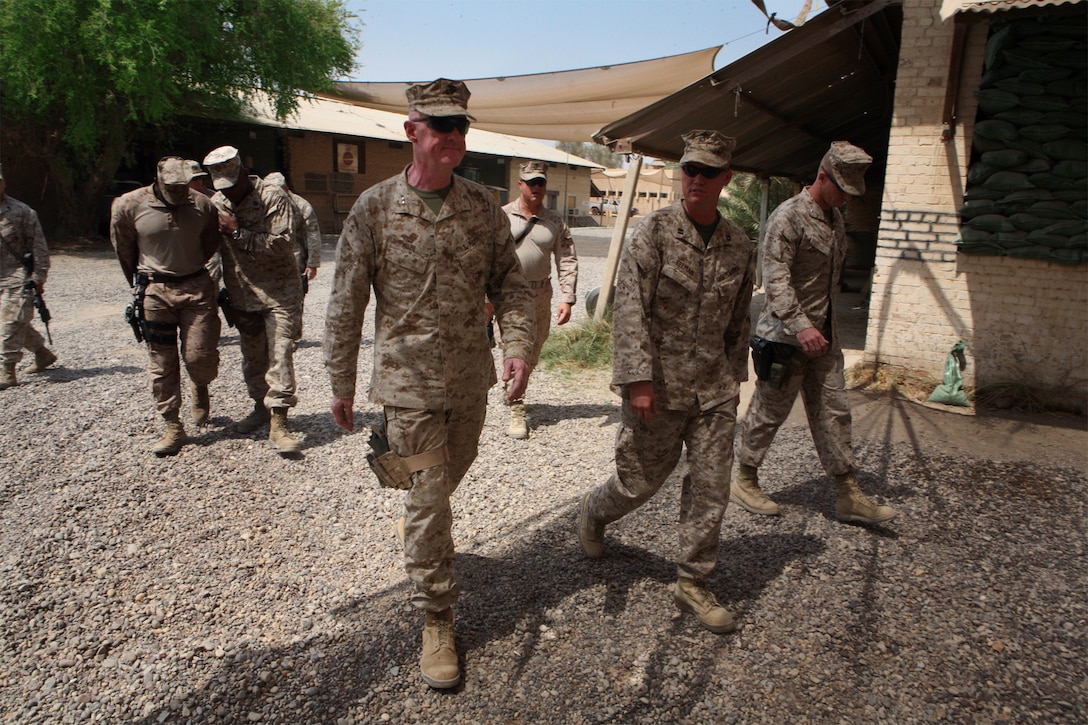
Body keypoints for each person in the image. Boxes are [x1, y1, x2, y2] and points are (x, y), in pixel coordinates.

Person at [323, 78, 534, 689]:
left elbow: (511, 286)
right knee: (430, 492)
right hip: (406, 384)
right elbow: (346, 303)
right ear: (411, 131)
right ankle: (436, 615)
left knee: (447, 475)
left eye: (461, 126)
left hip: (470, 380)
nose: (453, 137)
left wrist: (519, 346)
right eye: (440, 126)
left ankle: (420, 512)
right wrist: (340, 380)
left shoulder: (482, 205)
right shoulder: (375, 207)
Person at [576, 130, 754, 634]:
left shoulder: (739, 244)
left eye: (707, 172)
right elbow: (629, 308)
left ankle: (693, 581)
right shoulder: (652, 232)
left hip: (715, 390)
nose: (695, 179)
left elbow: (740, 319)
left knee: (711, 487)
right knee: (639, 481)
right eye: (689, 169)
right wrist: (637, 380)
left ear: (726, 178)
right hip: (659, 386)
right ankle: (594, 509)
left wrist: (736, 379)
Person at [733, 141, 896, 524]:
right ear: (822, 176)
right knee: (768, 412)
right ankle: (743, 479)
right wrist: (802, 326)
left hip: (825, 338)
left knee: (835, 412)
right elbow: (775, 281)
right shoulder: (788, 217)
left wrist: (819, 330)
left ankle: (848, 493)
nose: (845, 199)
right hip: (785, 339)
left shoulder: (834, 218)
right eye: (841, 190)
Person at [109, 156, 221, 455]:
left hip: (196, 288)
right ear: (157, 181)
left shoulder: (203, 205)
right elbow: (124, 249)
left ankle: (200, 384)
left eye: (183, 187)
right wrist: (143, 282)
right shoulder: (128, 205)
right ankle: (172, 424)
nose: (178, 193)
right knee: (162, 360)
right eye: (172, 187)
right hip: (155, 290)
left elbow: (210, 242)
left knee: (200, 356)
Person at [202, 145, 303, 456]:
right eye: (222, 188)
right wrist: (212, 288)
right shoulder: (217, 202)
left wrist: (236, 232)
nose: (228, 193)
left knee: (280, 354)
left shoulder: (273, 196)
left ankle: (279, 420)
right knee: (253, 357)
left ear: (244, 173)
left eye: (233, 185)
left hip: (279, 292)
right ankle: (260, 407)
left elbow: (283, 245)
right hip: (243, 293)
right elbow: (213, 252)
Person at [489, 159, 578, 439]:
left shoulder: (555, 222)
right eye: (531, 183)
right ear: (520, 185)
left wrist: (568, 298)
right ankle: (516, 405)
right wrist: (485, 297)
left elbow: (567, 259)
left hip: (541, 293)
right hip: (508, 294)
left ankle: (517, 386)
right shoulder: (501, 216)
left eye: (541, 183)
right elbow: (487, 259)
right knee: (513, 348)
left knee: (535, 346)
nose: (537, 187)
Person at [0, 165, 57, 390]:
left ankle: (7, 370)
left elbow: (39, 247)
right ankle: (42, 354)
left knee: (10, 323)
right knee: (17, 322)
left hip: (17, 277)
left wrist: (39, 276)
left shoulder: (22, 212)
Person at [264, 172, 321, 309]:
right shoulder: (262, 204)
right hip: (268, 260)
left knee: (294, 301)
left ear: (286, 189)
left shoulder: (302, 206)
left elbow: (312, 235)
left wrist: (312, 264)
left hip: (295, 260)